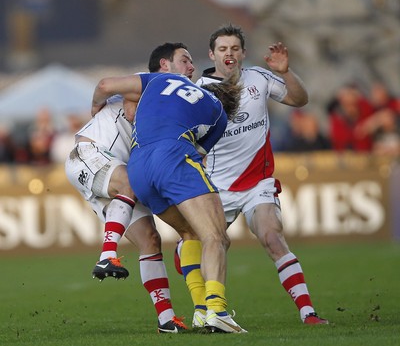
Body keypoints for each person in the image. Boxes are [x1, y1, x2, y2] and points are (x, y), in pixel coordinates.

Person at [176, 23, 329, 326]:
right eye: (223, 49)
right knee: (200, 244)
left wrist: (285, 72)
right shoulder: (199, 91)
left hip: (257, 183)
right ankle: (203, 309)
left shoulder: (259, 77)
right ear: (212, 54)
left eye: (234, 48)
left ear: (243, 52)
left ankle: (307, 312)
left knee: (272, 236)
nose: (229, 54)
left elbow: (300, 100)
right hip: (216, 187)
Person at [90, 69, 247, 333]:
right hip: (172, 155)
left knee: (190, 233)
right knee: (215, 236)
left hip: (137, 167)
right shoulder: (219, 112)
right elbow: (198, 152)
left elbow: (104, 85)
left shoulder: (160, 79)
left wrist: (96, 107)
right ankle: (216, 311)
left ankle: (200, 311)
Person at [65, 42, 195, 333]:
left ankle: (166, 319)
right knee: (131, 182)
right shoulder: (149, 85)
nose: (191, 67)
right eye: (184, 60)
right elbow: (108, 88)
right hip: (91, 154)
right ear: (165, 65)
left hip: (117, 174)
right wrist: (96, 107)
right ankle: (107, 255)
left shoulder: (175, 100)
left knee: (150, 238)